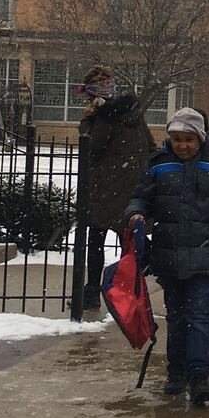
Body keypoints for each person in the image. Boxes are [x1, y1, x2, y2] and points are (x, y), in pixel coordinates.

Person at [125, 107, 209, 406]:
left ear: (200, 138)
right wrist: (135, 212)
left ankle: (199, 375)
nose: (182, 145)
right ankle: (176, 372)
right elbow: (140, 196)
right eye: (177, 139)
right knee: (175, 315)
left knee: (198, 314)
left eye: (189, 139)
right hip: (168, 253)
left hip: (205, 254)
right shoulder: (159, 165)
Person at [76, 66, 154, 312]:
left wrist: (87, 120)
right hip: (131, 191)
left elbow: (92, 147)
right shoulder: (134, 113)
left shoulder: (104, 116)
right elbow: (150, 146)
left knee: (96, 242)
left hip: (104, 189)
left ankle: (91, 293)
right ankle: (126, 292)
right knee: (127, 243)